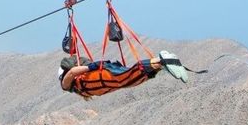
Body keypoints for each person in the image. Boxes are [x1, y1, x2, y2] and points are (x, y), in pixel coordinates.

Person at [58, 50, 190, 99]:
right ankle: (161, 64)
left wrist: (91, 66)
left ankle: (162, 60)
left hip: (107, 75)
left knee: (129, 76)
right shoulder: (78, 87)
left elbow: (71, 72)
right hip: (109, 78)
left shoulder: (67, 84)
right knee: (134, 79)